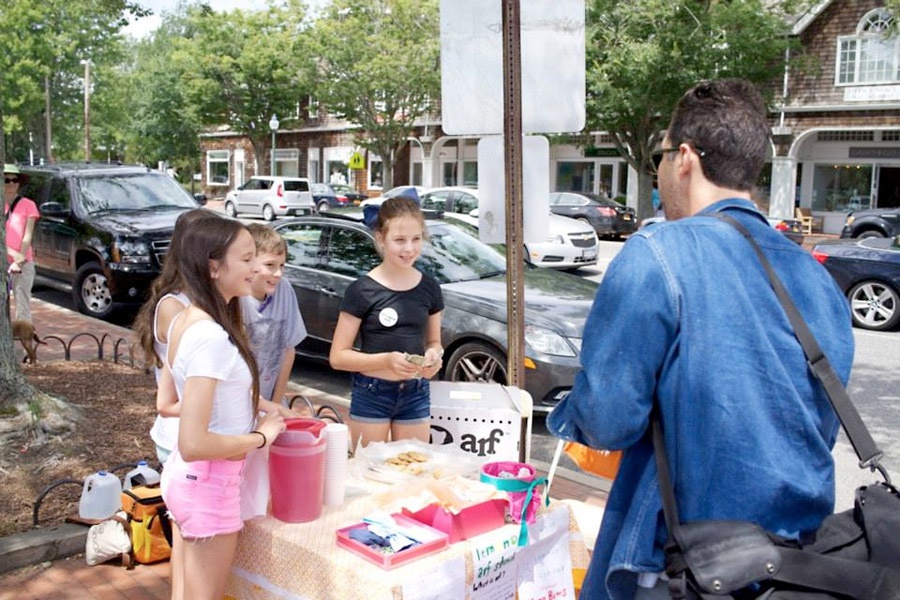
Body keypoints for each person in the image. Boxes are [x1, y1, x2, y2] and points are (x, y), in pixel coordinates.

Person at [547, 79, 855, 599]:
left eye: (660, 157)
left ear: (684, 158)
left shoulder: (658, 252)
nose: (660, 171)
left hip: (682, 565)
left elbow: (606, 421)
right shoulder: (817, 279)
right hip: (797, 567)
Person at [159, 217, 285, 600]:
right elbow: (193, 442)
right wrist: (261, 436)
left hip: (192, 481)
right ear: (214, 267)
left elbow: (170, 402)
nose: (256, 268)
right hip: (207, 484)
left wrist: (252, 407)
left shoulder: (188, 318)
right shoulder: (209, 335)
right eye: (247, 259)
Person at [329, 196, 444, 449]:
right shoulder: (361, 291)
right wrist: (386, 360)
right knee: (369, 475)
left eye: (416, 239)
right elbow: (338, 357)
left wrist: (434, 357)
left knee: (413, 471)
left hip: (416, 392)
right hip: (372, 392)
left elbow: (434, 342)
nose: (409, 249)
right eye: (399, 240)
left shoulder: (430, 287)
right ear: (380, 239)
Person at [240, 223, 307, 407]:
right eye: (269, 265)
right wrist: (260, 407)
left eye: (282, 265)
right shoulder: (236, 298)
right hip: (240, 404)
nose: (278, 273)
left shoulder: (284, 288)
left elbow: (288, 348)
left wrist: (276, 403)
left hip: (270, 401)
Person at [4, 164, 40, 323]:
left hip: (24, 262)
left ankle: (26, 346)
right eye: (6, 180)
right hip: (4, 259)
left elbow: (28, 235)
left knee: (22, 304)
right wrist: (13, 254)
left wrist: (19, 260)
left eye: (14, 180)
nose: (11, 183)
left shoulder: (28, 204)